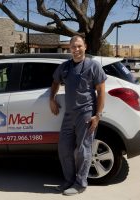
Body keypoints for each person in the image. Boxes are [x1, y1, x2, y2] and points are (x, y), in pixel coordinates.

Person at [49, 35, 107, 195]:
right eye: (73, 46)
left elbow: (101, 91)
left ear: (85, 47)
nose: (76, 49)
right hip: (69, 114)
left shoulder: (93, 66)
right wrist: (52, 98)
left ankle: (80, 183)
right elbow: (55, 82)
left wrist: (98, 115)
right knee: (64, 148)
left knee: (83, 149)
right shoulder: (65, 67)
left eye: (79, 46)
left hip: (86, 114)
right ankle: (69, 180)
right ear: (69, 48)